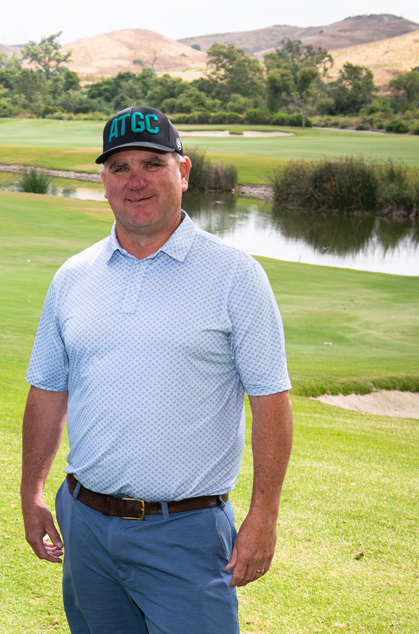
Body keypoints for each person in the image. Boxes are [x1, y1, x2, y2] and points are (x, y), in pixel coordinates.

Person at [20, 106, 293, 634]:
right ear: (103, 182)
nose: (136, 180)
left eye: (152, 163)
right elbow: (48, 391)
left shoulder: (236, 276)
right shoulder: (73, 276)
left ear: (183, 172)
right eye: (120, 168)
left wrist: (265, 515)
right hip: (86, 525)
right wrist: (32, 490)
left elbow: (270, 402)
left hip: (186, 531)